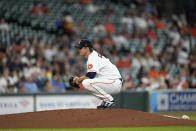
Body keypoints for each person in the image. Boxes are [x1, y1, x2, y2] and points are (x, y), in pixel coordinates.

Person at [73, 39, 123, 109]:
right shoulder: (93, 56)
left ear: (87, 48)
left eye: (80, 48)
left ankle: (109, 100)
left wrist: (78, 80)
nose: (79, 50)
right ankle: (106, 100)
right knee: (88, 82)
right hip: (110, 81)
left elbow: (91, 75)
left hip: (113, 82)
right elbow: (93, 76)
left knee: (86, 83)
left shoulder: (92, 57)